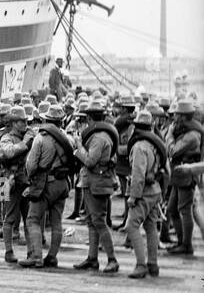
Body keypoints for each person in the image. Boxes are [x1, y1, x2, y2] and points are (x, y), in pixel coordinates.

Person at [20, 104, 73, 268]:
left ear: (46, 119)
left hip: (44, 184)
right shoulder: (68, 138)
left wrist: (31, 180)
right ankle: (52, 256)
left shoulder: (41, 138)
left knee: (32, 219)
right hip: (63, 183)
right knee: (57, 221)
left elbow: (31, 165)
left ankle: (36, 256)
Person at [72, 98, 119, 272]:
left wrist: (78, 148)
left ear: (91, 119)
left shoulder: (99, 138)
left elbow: (91, 161)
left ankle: (112, 259)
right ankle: (92, 258)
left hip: (96, 183)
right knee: (92, 221)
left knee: (99, 221)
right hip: (94, 181)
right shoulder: (101, 135)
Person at [125, 109, 165, 278]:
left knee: (131, 226)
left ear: (136, 127)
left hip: (144, 192)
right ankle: (153, 264)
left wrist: (133, 197)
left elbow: (138, 175)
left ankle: (141, 264)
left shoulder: (139, 146)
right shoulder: (155, 144)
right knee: (150, 227)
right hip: (155, 189)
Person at [0, 105, 31, 263]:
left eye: (24, 121)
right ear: (14, 123)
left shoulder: (29, 135)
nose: (24, 124)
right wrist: (25, 143)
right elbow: (7, 152)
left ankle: (32, 251)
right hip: (9, 180)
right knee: (8, 217)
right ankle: (8, 251)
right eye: (21, 121)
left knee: (29, 218)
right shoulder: (6, 137)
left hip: (26, 181)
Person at [165, 99, 201, 255]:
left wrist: (170, 136)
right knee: (172, 209)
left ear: (183, 116)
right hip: (178, 175)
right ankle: (181, 242)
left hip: (186, 176)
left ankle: (186, 245)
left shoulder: (192, 135)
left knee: (184, 210)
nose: (174, 117)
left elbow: (172, 151)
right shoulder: (185, 130)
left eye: (177, 114)